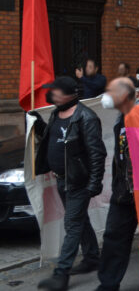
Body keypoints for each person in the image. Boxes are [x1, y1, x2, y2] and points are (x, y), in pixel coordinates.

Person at [35, 77, 106, 291]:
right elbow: (54, 139)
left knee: (72, 225)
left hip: (79, 182)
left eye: (54, 91)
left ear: (67, 94)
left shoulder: (86, 117)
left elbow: (97, 153)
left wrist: (95, 182)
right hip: (61, 178)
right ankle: (92, 257)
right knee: (79, 220)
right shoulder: (57, 113)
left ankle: (61, 274)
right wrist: (37, 125)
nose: (51, 95)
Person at [96, 77, 139, 291]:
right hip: (124, 192)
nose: (106, 95)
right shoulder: (120, 118)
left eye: (111, 91)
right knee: (114, 237)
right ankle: (108, 284)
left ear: (124, 95)